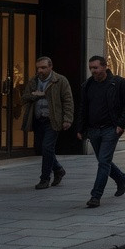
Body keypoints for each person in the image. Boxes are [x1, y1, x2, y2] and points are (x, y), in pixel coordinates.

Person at [75, 55, 125, 208]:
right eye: (91, 68)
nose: (93, 71)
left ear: (105, 66)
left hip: (110, 129)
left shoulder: (118, 83)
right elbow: (83, 108)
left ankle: (95, 196)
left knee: (103, 161)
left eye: (96, 67)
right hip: (93, 130)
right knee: (104, 161)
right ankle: (121, 178)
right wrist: (80, 128)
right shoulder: (87, 85)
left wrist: (121, 125)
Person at [22, 56, 74, 190]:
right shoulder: (33, 81)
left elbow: (68, 101)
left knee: (47, 148)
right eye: (38, 68)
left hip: (53, 120)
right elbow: (25, 97)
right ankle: (58, 169)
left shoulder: (60, 80)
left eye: (43, 67)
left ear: (50, 67)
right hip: (38, 119)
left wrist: (67, 119)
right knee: (42, 148)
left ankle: (44, 179)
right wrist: (36, 95)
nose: (40, 70)